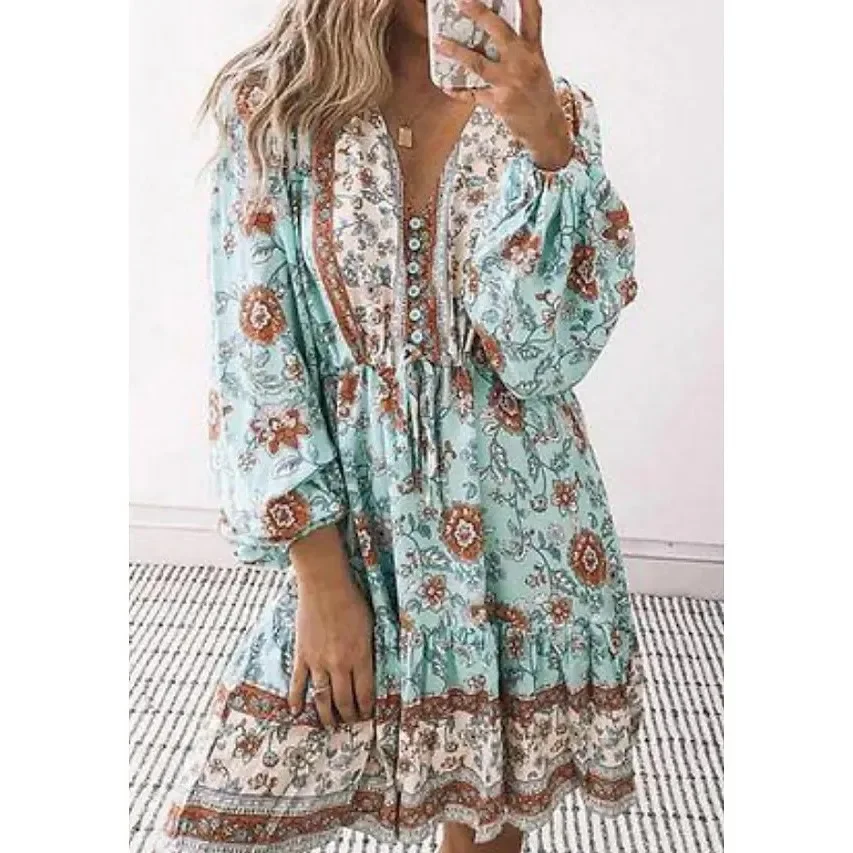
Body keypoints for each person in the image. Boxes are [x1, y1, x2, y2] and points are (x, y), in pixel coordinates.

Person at [156, 1, 645, 851]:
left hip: (523, 535)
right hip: (358, 529)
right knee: (237, 811)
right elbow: (256, 353)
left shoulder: (553, 112)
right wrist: (320, 577)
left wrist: (547, 148)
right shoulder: (273, 107)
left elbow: (540, 360)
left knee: (488, 811)